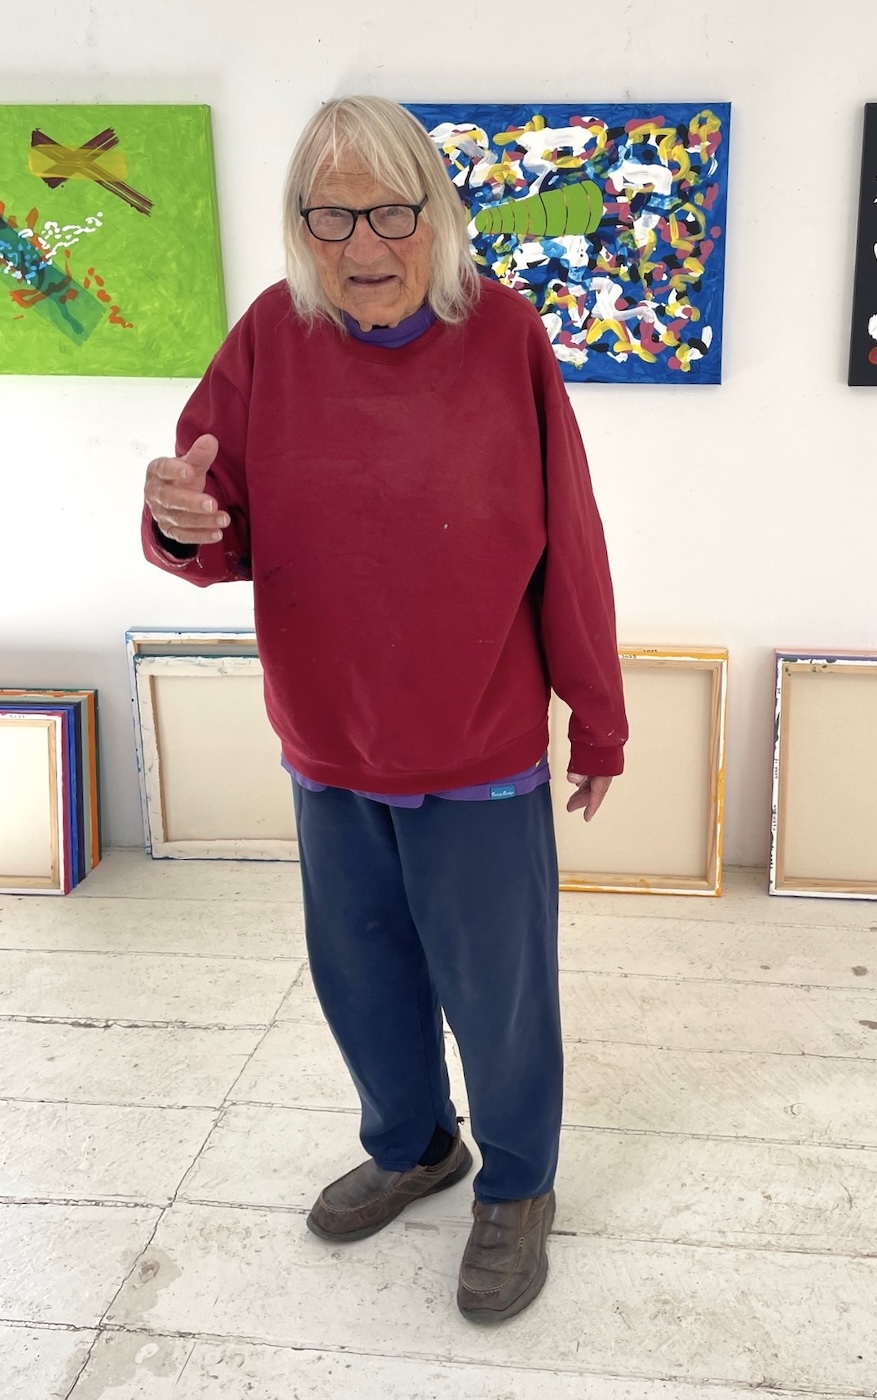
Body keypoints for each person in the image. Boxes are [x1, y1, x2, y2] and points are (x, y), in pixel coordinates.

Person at [141, 95, 627, 1324]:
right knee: (360, 974)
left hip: (477, 748)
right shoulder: (270, 336)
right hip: (328, 740)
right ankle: (415, 1145)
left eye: (391, 211)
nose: (363, 243)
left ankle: (516, 1184)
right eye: (331, 215)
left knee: (498, 993)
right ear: (299, 224)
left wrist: (598, 714)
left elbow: (569, 538)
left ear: (437, 214)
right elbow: (212, 516)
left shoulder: (505, 334)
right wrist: (176, 521)